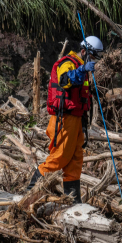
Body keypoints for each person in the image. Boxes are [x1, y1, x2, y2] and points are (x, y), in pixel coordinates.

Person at [27, 36, 104, 202]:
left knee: (76, 159)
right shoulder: (68, 63)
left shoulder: (82, 66)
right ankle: (29, 193)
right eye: (92, 57)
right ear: (84, 52)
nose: (94, 62)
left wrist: (83, 125)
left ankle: (73, 200)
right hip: (64, 118)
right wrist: (83, 70)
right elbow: (64, 81)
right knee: (59, 157)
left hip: (76, 119)